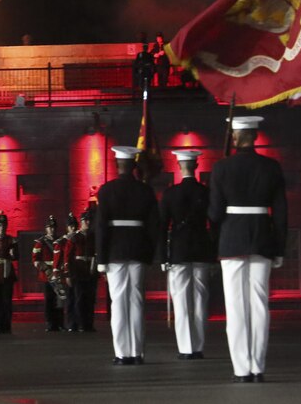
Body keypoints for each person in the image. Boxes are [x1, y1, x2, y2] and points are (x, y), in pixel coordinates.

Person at [209, 116, 287, 383]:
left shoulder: (221, 168)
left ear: (234, 138)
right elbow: (281, 214)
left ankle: (241, 369)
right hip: (262, 238)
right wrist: (279, 248)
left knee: (235, 307)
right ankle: (258, 366)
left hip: (232, 239)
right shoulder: (271, 167)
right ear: (255, 136)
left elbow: (215, 213)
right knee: (259, 304)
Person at [96, 145, 159, 365]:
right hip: (138, 249)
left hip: (115, 251)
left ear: (117, 165)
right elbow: (154, 227)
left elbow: (101, 227)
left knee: (118, 302)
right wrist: (151, 254)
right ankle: (137, 352)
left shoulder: (106, 190)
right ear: (134, 166)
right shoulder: (145, 190)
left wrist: (101, 260)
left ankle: (122, 353)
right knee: (137, 301)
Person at [160, 149, 213, 361]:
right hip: (201, 247)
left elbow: (162, 226)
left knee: (181, 300)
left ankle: (186, 347)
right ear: (196, 166)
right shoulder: (206, 192)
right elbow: (214, 222)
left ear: (179, 167)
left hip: (179, 250)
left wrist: (163, 256)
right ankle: (198, 346)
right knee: (200, 299)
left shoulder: (171, 194)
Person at [33, 215, 63, 332]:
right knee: (49, 300)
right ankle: (50, 322)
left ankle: (60, 322)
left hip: (58, 274)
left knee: (60, 300)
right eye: (49, 227)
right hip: (47, 275)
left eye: (53, 227)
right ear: (46, 229)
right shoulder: (40, 242)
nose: (52, 229)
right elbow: (35, 259)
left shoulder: (60, 241)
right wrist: (46, 268)